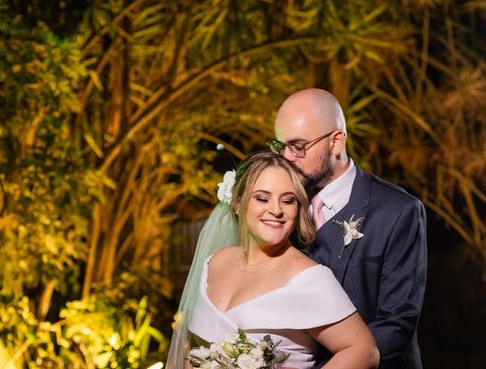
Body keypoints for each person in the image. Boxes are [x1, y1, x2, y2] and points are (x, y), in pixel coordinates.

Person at [166, 151, 379, 369]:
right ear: (238, 203)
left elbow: (364, 351)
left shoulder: (309, 278)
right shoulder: (214, 262)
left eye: (288, 201)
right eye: (262, 198)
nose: (276, 210)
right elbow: (192, 351)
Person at [269, 88, 427, 369]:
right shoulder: (280, 209)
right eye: (279, 146)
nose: (286, 158)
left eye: (298, 146)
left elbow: (397, 323)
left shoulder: (397, 211)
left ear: (336, 142)